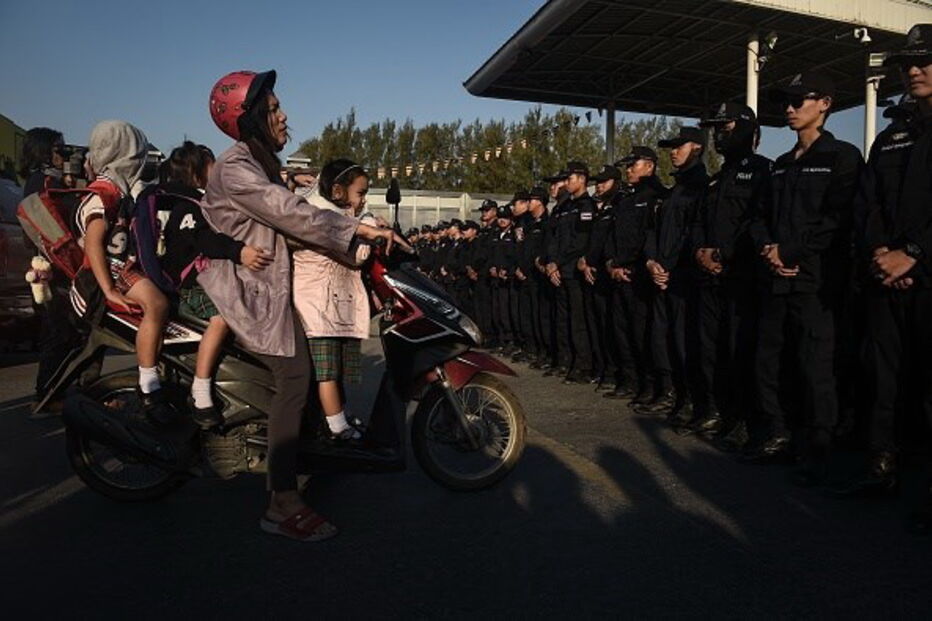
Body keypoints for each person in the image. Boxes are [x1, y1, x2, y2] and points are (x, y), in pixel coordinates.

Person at [199, 70, 401, 541]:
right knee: (295, 374)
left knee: (306, 361)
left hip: (267, 282)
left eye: (277, 106)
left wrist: (356, 234)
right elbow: (288, 211)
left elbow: (292, 222)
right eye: (271, 109)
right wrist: (358, 230)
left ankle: (306, 446)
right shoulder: (236, 167)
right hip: (244, 286)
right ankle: (281, 501)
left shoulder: (261, 161)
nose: (283, 114)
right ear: (248, 120)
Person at [744, 72, 863, 488]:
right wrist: (770, 250)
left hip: (817, 282)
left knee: (816, 369)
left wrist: (792, 252)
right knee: (771, 364)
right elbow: (759, 218)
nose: (790, 109)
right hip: (776, 279)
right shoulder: (781, 165)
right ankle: (779, 435)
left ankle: (819, 449)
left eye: (799, 101)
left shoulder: (842, 157)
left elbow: (839, 218)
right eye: (786, 102)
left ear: (825, 103)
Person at [838, 25, 932, 529]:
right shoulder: (891, 136)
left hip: (925, 275)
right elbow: (867, 202)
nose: (914, 70)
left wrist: (914, 255)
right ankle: (881, 467)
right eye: (907, 63)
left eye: (925, 61)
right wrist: (881, 253)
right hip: (886, 276)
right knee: (882, 378)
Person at [161, 141, 272, 428]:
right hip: (194, 287)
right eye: (214, 165)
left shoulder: (207, 202)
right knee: (221, 318)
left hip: (211, 281)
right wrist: (241, 252)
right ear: (197, 173)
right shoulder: (189, 207)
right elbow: (204, 241)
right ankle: (201, 388)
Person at [76, 120, 176, 424]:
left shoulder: (118, 189)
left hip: (120, 266)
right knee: (156, 305)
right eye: (136, 154)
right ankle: (148, 384)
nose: (140, 161)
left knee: (164, 306)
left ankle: (152, 371)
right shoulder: (104, 192)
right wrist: (109, 289)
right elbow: (94, 242)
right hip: (113, 270)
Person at [686, 103, 771, 448]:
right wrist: (699, 251)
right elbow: (698, 225)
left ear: (748, 130)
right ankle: (721, 412)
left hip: (742, 279)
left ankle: (749, 421)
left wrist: (726, 255)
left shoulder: (764, 171)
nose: (720, 134)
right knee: (712, 351)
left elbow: (759, 221)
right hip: (710, 278)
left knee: (742, 351)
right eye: (716, 128)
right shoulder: (715, 180)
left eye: (727, 127)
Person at [293, 158, 377, 441]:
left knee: (334, 371)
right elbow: (358, 255)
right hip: (318, 308)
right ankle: (337, 427)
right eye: (361, 193)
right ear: (338, 191)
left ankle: (336, 419)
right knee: (327, 372)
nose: (364, 200)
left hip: (331, 306)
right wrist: (368, 224)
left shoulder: (329, 216)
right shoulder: (324, 220)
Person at [641, 127, 708, 424]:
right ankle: (672, 394)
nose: (673, 151)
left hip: (683, 278)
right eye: (671, 147)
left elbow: (691, 234)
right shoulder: (672, 193)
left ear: (696, 147)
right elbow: (655, 231)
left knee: (684, 343)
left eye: (678, 146)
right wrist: (652, 262)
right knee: (661, 339)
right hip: (662, 275)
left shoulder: (701, 188)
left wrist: (669, 266)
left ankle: (692, 399)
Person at [604, 147, 668, 402]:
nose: (628, 170)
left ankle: (650, 384)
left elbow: (648, 238)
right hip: (619, 275)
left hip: (640, 275)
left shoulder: (656, 196)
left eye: (634, 165)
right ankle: (630, 381)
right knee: (622, 332)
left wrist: (631, 265)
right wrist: (611, 264)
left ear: (650, 166)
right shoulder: (624, 200)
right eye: (627, 166)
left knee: (643, 334)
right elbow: (613, 236)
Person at [545, 161, 596, 384]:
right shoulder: (565, 208)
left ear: (583, 179)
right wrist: (551, 263)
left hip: (574, 271)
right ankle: (567, 361)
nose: (567, 183)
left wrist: (558, 262)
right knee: (563, 320)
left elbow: (581, 242)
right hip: (560, 270)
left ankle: (583, 365)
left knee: (578, 321)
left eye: (571, 179)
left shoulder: (586, 205)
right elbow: (556, 240)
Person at [583, 165, 626, 390]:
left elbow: (613, 240)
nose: (599, 185)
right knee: (597, 325)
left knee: (613, 328)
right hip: (594, 274)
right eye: (598, 182)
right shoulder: (601, 207)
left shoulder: (619, 204)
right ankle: (603, 369)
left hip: (610, 274)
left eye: (604, 181)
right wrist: (585, 260)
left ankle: (615, 372)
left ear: (615, 183)